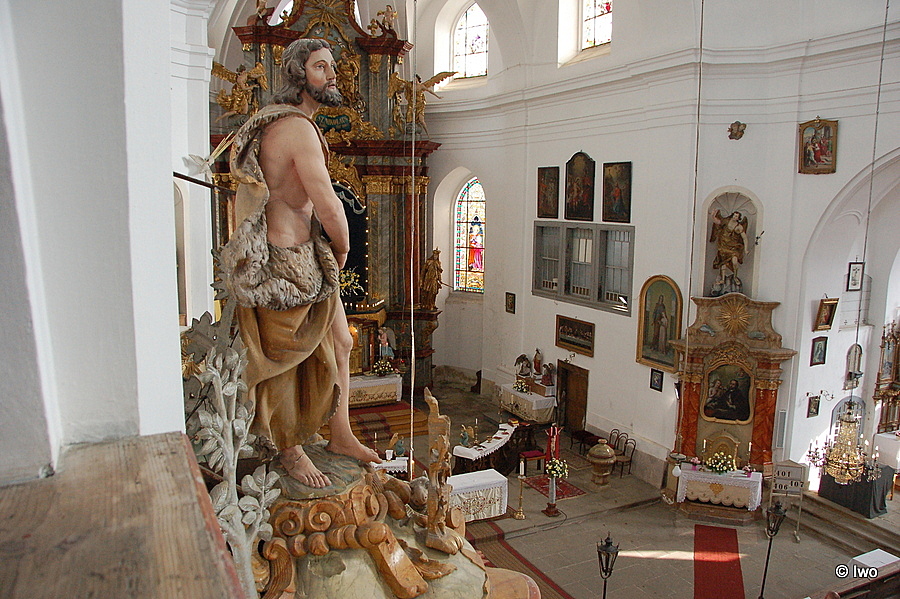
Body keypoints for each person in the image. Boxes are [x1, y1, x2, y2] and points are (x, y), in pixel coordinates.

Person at [221, 38, 379, 489]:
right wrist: (342, 250)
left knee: (342, 343)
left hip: (307, 257)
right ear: (297, 74)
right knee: (286, 361)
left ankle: (341, 434)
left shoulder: (292, 124)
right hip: (284, 263)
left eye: (332, 66)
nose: (332, 75)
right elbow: (327, 204)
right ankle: (289, 449)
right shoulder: (295, 128)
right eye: (320, 67)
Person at [709, 209, 749, 289]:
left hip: (733, 247)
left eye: (736, 216)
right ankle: (723, 279)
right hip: (723, 245)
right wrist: (713, 215)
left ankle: (735, 276)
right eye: (734, 215)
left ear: (738, 218)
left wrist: (746, 249)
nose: (734, 217)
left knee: (735, 261)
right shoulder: (726, 221)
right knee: (723, 263)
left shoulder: (739, 227)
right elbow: (718, 222)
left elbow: (744, 238)